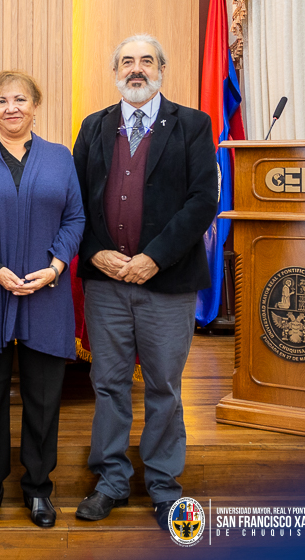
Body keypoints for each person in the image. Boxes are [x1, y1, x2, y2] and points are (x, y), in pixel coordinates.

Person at [71, 34, 218, 528]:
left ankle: (162, 486)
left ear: (161, 69)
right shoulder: (93, 127)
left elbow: (202, 201)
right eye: (128, 62)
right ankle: (110, 480)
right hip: (106, 284)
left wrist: (154, 257)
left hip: (167, 283)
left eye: (146, 61)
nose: (137, 70)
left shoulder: (193, 125)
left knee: (163, 387)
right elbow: (76, 205)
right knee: (108, 385)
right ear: (115, 71)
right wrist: (95, 253)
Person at [0, 71, 84, 528]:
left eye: (20, 99)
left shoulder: (61, 158)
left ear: (35, 105)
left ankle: (39, 489)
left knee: (44, 400)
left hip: (46, 291)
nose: (12, 108)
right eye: (2, 100)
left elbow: (75, 218)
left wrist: (56, 266)